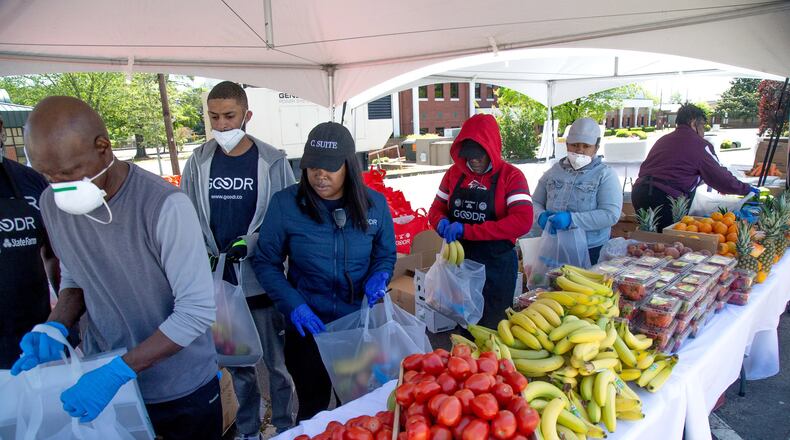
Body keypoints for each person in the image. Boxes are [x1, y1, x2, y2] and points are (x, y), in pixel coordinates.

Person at [12, 96, 220, 439]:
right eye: (48, 175)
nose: (60, 185)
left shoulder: (164, 206)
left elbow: (195, 312)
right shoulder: (51, 203)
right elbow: (76, 273)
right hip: (105, 380)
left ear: (103, 147)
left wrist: (118, 372)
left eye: (69, 172)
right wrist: (55, 325)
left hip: (179, 387)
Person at [251, 122, 395, 421]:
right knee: (312, 410)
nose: (319, 174)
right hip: (307, 329)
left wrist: (381, 274)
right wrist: (295, 306)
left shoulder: (374, 205)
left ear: (349, 165)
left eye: (329, 167)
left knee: (356, 409)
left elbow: (385, 254)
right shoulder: (286, 204)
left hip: (356, 327)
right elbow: (266, 262)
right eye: (312, 166)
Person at [181, 81, 297, 437]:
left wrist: (256, 242)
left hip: (260, 280)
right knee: (237, 364)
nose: (222, 125)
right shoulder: (199, 162)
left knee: (276, 363)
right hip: (220, 284)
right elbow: (185, 216)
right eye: (214, 117)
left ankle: (283, 426)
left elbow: (287, 217)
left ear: (247, 115)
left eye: (230, 116)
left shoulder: (271, 160)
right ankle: (248, 428)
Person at [427, 114, 533, 328]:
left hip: (496, 267)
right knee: (463, 325)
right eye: (468, 155)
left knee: (493, 327)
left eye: (479, 155)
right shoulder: (454, 174)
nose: (473, 160)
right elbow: (436, 208)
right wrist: (440, 223)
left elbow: (522, 221)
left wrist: (468, 230)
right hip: (461, 265)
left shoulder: (511, 176)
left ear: (492, 150)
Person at [632, 103, 759, 231]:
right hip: (665, 198)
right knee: (666, 241)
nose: (704, 131)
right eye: (703, 125)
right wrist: (747, 189)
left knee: (648, 237)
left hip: (640, 193)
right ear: (693, 122)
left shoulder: (664, 139)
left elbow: (675, 169)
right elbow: (721, 178)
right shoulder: (700, 144)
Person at [0, 115, 60, 368]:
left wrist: (64, 322)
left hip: (36, 333)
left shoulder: (32, 181)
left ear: (1, 131)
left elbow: (54, 254)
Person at [532, 117, 623, 265]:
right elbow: (535, 201)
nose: (580, 150)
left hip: (590, 249)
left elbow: (610, 214)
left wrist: (572, 220)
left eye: (586, 146)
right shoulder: (553, 172)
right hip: (554, 246)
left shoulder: (605, 174)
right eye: (574, 145)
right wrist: (540, 215)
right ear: (567, 144)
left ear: (596, 148)